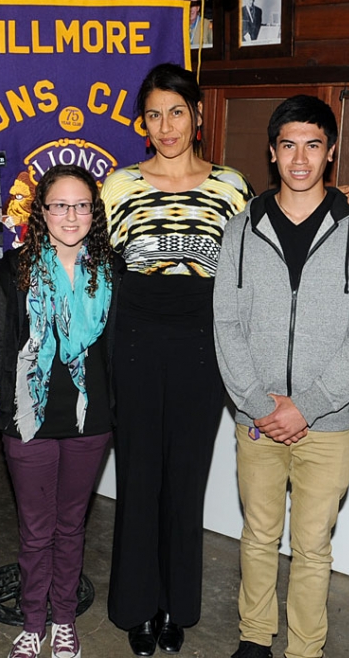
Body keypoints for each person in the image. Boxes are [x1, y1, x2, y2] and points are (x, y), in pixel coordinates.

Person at [213, 95, 349, 658]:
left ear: (330, 152)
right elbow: (225, 324)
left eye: (312, 145)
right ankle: (254, 638)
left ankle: (305, 648)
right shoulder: (240, 230)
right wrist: (257, 403)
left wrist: (307, 405)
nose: (299, 158)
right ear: (272, 152)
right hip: (257, 418)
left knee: (314, 546)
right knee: (259, 536)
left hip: (329, 424)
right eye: (288, 145)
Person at [100, 63, 255, 657]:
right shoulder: (119, 186)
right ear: (143, 123)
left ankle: (176, 606)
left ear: (196, 116)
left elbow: (251, 267)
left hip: (202, 343)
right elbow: (97, 268)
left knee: (185, 479)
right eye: (153, 115)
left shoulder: (232, 187)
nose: (166, 126)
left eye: (176, 112)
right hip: (135, 338)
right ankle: (137, 606)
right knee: (139, 476)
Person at [0, 164, 123, 658]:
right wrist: (1, 415)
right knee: (35, 529)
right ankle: (32, 622)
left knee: (71, 525)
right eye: (60, 205)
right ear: (41, 212)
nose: (72, 215)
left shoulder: (113, 270)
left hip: (91, 420)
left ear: (95, 211)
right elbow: (4, 346)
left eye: (82, 205)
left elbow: (119, 350)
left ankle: (64, 619)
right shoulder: (15, 268)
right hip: (31, 419)